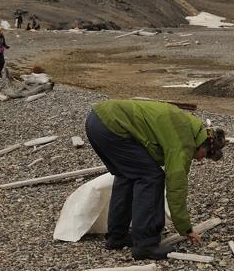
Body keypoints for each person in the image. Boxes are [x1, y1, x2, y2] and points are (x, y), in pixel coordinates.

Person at [84, 99, 226, 260]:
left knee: (128, 175)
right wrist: (185, 228)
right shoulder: (185, 139)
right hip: (112, 125)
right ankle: (146, 245)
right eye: (205, 156)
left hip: (97, 120)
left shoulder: (187, 125)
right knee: (151, 177)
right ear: (204, 144)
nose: (200, 160)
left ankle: (117, 236)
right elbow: (176, 187)